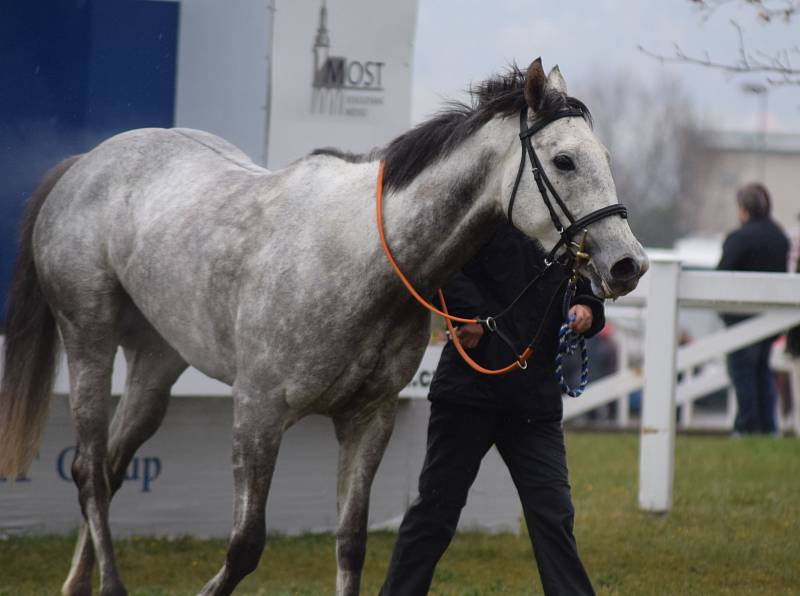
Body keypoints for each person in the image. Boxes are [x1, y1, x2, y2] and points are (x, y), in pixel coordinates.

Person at [380, 222, 604, 596]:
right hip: (468, 394)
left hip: (535, 402)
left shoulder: (566, 230)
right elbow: (443, 269)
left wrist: (587, 311)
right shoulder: (482, 219)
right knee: (435, 512)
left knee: (554, 514)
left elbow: (587, 292)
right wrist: (474, 316)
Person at [717, 183, 789, 435]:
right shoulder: (779, 237)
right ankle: (768, 427)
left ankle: (745, 427)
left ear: (744, 208)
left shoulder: (739, 238)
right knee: (762, 374)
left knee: (743, 376)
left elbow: (721, 275)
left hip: (740, 320)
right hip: (769, 321)